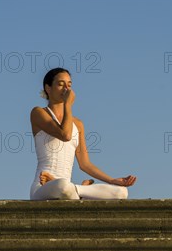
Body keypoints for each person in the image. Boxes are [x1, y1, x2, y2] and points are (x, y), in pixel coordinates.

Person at [29, 67, 137, 200]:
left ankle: (78, 190)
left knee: (121, 192)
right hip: (43, 186)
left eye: (69, 85)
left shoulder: (78, 124)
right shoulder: (38, 113)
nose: (66, 89)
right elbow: (65, 135)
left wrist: (112, 180)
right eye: (60, 84)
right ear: (48, 88)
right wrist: (68, 105)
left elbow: (85, 164)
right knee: (62, 185)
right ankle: (80, 191)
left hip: (67, 187)